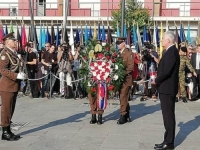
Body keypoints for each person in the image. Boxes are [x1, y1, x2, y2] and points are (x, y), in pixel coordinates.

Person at [152, 31, 180, 150]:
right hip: (165, 88)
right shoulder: (168, 51)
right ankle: (166, 139)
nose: (161, 41)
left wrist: (156, 80)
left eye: (163, 39)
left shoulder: (172, 52)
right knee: (166, 116)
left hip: (168, 88)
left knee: (168, 116)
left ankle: (169, 143)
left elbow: (166, 71)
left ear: (169, 40)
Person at [0, 32, 27, 141]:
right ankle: (5, 132)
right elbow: (2, 70)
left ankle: (8, 130)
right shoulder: (4, 54)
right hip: (7, 86)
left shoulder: (13, 53)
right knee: (6, 109)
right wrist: (16, 75)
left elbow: (16, 66)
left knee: (11, 108)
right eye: (13, 40)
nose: (16, 42)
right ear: (7, 42)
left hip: (14, 85)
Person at [116, 37, 134, 124]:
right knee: (122, 97)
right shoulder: (117, 53)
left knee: (123, 96)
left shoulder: (129, 53)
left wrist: (122, 73)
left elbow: (131, 67)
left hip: (126, 79)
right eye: (117, 43)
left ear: (123, 43)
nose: (118, 45)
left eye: (119, 43)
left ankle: (123, 116)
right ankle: (127, 114)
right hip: (119, 79)